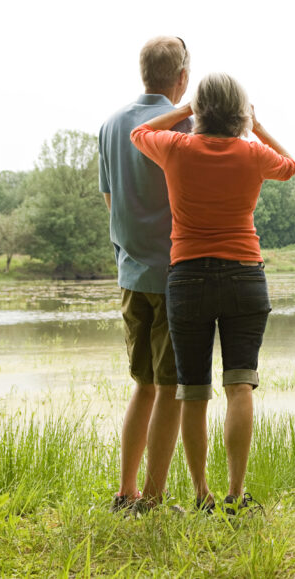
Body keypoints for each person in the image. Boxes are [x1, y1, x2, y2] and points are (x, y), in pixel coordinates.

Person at [130, 73, 295, 513]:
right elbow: (290, 165)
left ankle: (201, 493)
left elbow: (139, 133)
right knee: (240, 386)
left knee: (193, 390)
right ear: (240, 112)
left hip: (187, 279)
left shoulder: (177, 148)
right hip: (244, 275)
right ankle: (236, 495)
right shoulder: (252, 153)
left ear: (201, 111)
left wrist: (185, 110)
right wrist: (256, 127)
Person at [98, 36, 192, 513]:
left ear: (143, 74)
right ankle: (152, 500)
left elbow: (112, 202)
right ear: (182, 78)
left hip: (130, 274)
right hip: (175, 275)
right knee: (172, 388)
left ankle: (126, 491)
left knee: (143, 384)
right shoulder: (188, 125)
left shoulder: (111, 125)